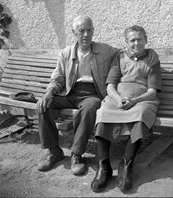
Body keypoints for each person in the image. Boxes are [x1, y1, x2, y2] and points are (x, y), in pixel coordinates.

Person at [37, 16, 159, 176]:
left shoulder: (105, 50)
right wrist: (48, 93)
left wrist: (149, 53)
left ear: (93, 31)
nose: (86, 34)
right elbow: (58, 77)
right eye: (81, 31)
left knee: (89, 108)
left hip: (92, 94)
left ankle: (76, 154)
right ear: (74, 33)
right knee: (42, 106)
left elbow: (128, 52)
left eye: (89, 30)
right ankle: (53, 151)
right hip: (69, 91)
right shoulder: (66, 53)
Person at [91, 25, 162, 192]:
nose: (136, 43)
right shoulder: (119, 58)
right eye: (132, 40)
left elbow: (152, 91)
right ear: (126, 42)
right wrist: (118, 100)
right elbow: (110, 86)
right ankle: (104, 166)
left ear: (146, 40)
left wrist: (135, 100)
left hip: (142, 100)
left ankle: (126, 165)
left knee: (141, 115)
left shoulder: (152, 60)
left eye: (139, 39)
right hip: (118, 98)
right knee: (102, 113)